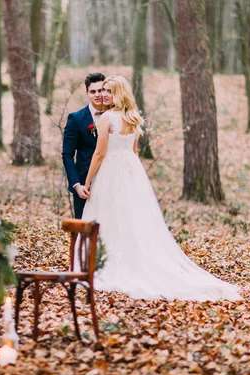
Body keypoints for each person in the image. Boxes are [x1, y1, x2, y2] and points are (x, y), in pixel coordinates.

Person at [82, 75, 240, 301]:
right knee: (128, 218)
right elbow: (134, 151)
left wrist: (87, 181)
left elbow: (100, 153)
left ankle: (108, 263)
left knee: (111, 215)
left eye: (109, 91)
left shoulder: (106, 118)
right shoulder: (133, 117)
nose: (104, 95)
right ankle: (124, 258)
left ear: (119, 93)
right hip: (131, 170)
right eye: (103, 90)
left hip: (111, 170)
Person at [62, 72, 105, 219]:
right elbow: (67, 155)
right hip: (85, 185)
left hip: (110, 180)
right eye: (93, 91)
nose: (98, 95)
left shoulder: (115, 116)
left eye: (101, 90)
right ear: (87, 93)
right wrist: (76, 185)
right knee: (84, 231)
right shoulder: (76, 118)